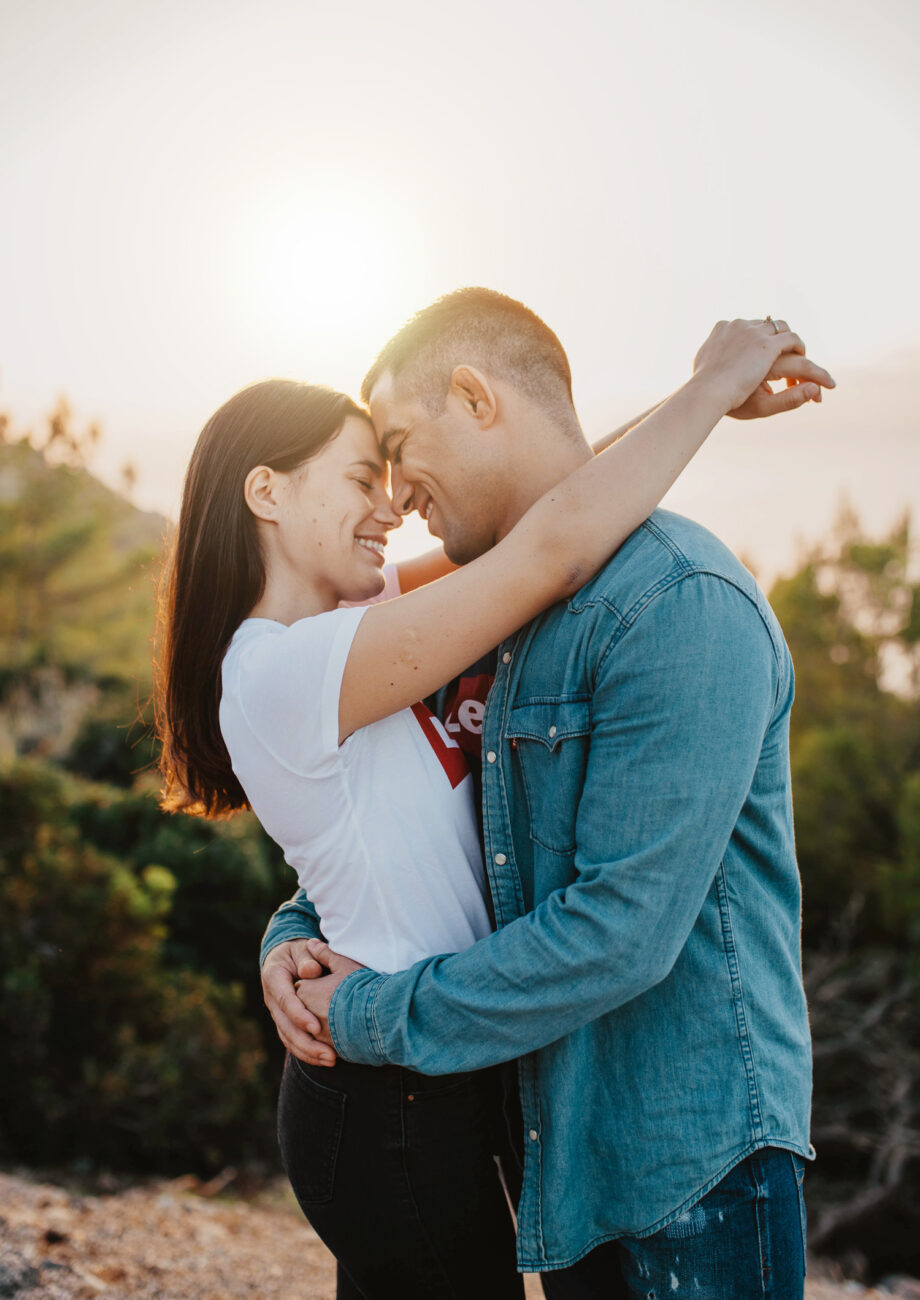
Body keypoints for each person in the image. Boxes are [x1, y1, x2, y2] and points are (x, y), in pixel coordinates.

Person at [261, 291, 834, 1300]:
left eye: (398, 444)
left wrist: (367, 1015)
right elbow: (415, 835)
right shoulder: (485, 616)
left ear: (476, 397)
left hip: (687, 1169)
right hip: (554, 1155)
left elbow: (621, 930)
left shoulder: (679, 603)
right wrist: (293, 932)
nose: (395, 495)